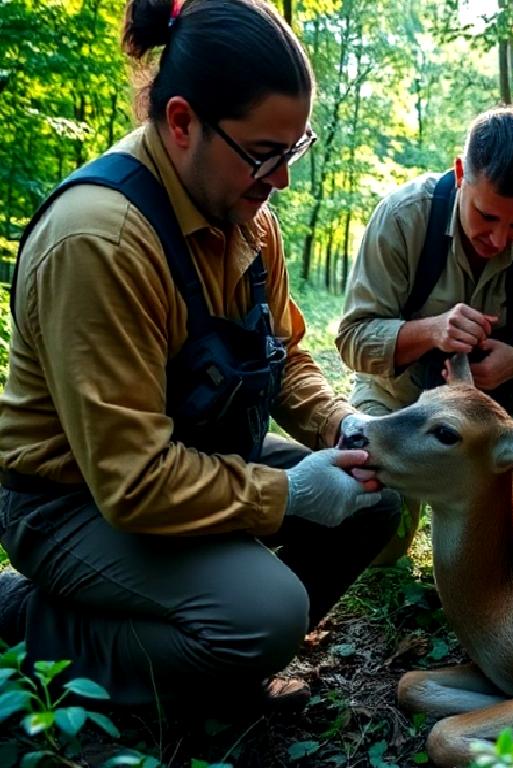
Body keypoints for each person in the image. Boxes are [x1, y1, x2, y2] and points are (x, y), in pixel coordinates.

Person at [0, 0, 401, 715]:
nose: (280, 179)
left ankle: (215, 656)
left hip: (193, 460)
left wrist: (340, 425)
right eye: (263, 153)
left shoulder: (246, 217)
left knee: (375, 501)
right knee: (265, 614)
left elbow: (284, 356)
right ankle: (25, 618)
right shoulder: (100, 241)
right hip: (73, 502)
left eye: (293, 150)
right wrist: (289, 494)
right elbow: (131, 481)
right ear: (182, 122)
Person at [337, 106, 513, 561]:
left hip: (483, 425)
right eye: (486, 216)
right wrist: (432, 331)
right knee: (381, 531)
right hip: (398, 405)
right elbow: (352, 340)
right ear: (461, 174)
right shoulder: (404, 217)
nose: (499, 239)